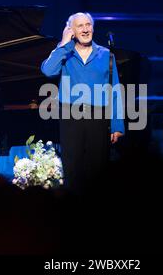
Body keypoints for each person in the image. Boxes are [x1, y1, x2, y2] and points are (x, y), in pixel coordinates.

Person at [41, 12, 124, 193]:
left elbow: (115, 90)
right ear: (71, 30)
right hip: (71, 117)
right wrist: (63, 44)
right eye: (80, 26)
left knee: (98, 169)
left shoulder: (106, 55)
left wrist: (117, 124)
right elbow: (48, 70)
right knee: (72, 169)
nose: (85, 29)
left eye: (88, 25)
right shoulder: (64, 53)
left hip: (98, 117)